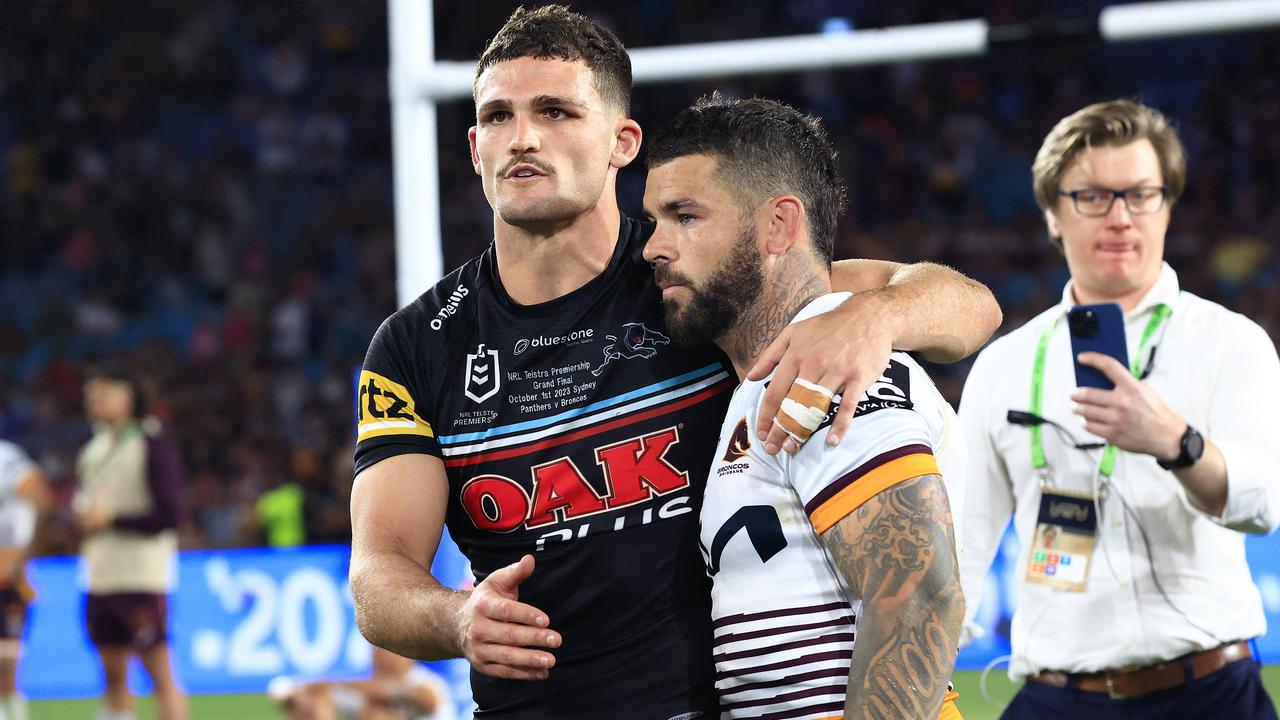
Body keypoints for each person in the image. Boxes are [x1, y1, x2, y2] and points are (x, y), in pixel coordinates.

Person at [349, 6, 1000, 718]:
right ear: (475, 148)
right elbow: (379, 574)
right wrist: (455, 618)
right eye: (499, 116)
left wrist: (876, 316)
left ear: (622, 142)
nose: (524, 137)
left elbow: (967, 305)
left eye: (557, 111)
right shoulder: (417, 346)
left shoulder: (696, 279)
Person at [642, 93, 965, 720]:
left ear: (779, 227)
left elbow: (920, 595)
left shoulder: (832, 366)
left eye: (684, 216)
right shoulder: (767, 377)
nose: (655, 246)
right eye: (654, 220)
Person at [958, 99, 1280, 720]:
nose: (1120, 217)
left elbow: (1263, 505)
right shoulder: (1004, 366)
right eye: (1093, 197)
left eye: (1140, 194)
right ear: (1053, 213)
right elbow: (963, 552)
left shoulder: (1231, 342)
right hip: (1057, 699)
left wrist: (1175, 442)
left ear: (1168, 203)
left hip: (1212, 694)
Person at [76, 363, 188, 720]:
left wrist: (111, 520)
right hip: (99, 574)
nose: (94, 399)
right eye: (91, 392)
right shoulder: (92, 449)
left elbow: (171, 514)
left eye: (103, 391)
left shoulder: (152, 445)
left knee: (158, 673)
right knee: (112, 676)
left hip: (141, 576)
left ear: (129, 396)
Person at [0, 439, 51, 720]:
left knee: (7, 657)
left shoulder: (5, 456)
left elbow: (40, 496)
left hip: (9, 570)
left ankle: (13, 712)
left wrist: (22, 557)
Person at [268, 645, 456, 720]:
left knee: (379, 712)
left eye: (387, 648)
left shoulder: (428, 683)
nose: (378, 654)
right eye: (376, 647)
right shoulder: (361, 689)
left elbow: (427, 702)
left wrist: (331, 684)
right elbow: (287, 694)